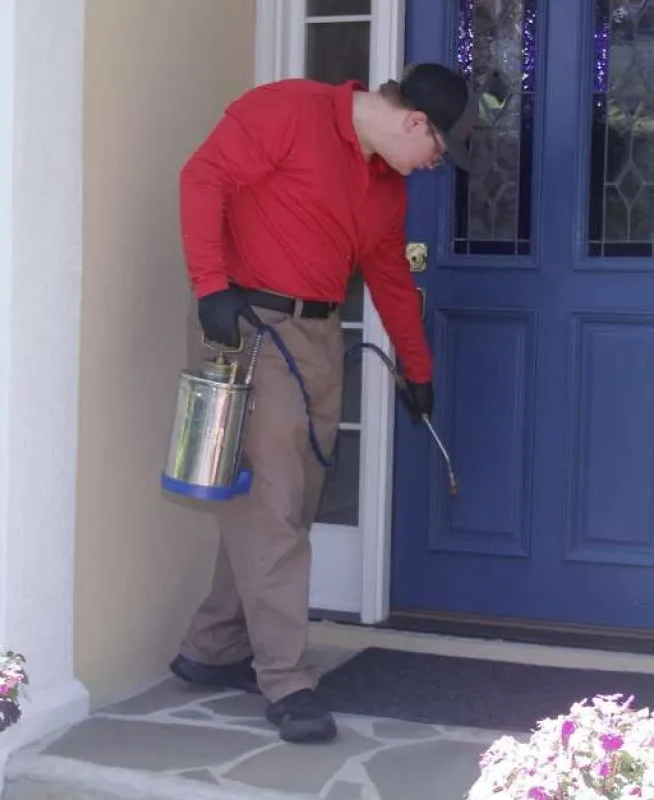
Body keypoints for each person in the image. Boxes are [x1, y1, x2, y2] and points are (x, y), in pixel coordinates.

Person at [169, 63, 478, 744]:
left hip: (319, 340)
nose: (433, 166)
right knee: (275, 505)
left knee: (286, 502)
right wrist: (209, 285)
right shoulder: (288, 111)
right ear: (414, 122)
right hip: (253, 327)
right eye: (437, 151)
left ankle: (212, 646)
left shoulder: (383, 188)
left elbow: (392, 278)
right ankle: (287, 680)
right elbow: (203, 177)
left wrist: (415, 371)